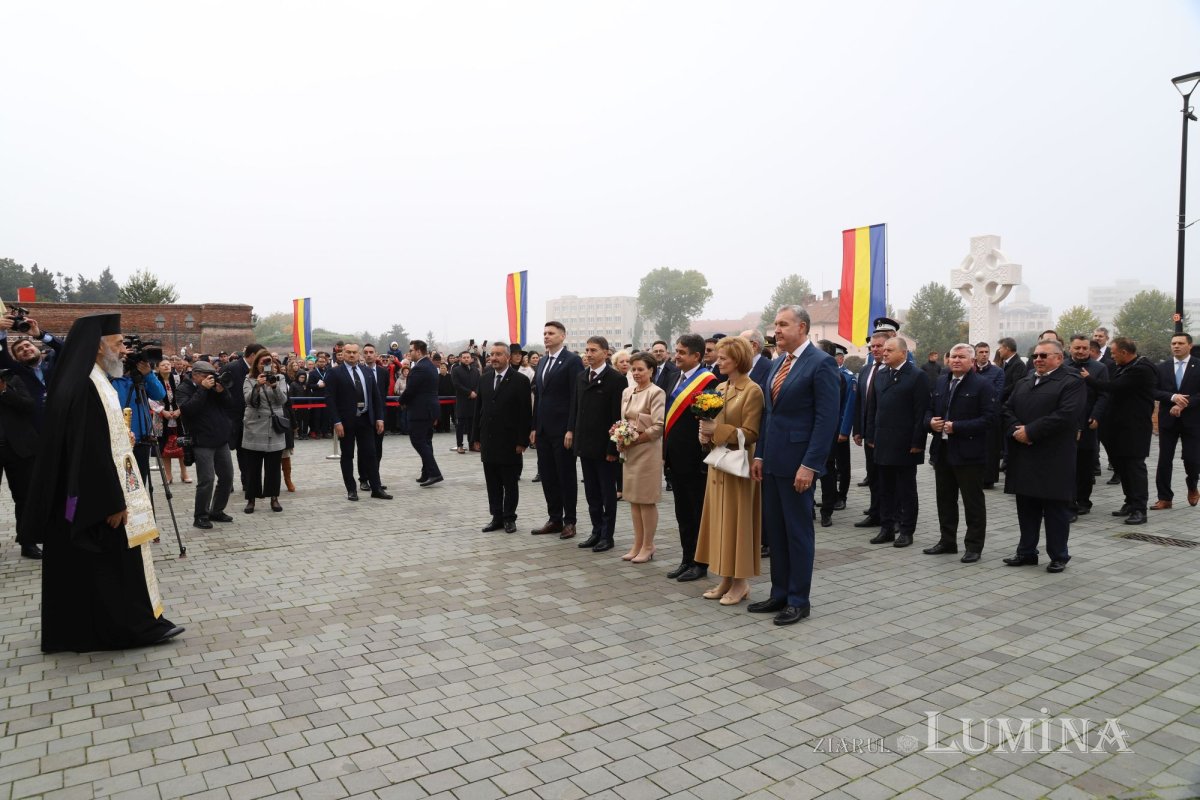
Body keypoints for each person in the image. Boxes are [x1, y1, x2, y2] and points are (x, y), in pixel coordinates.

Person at [18, 313, 183, 652]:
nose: (125, 350)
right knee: (109, 567)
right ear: (97, 347)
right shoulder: (85, 385)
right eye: (119, 343)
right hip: (97, 499)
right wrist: (113, 501)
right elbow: (87, 450)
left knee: (96, 570)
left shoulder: (93, 378)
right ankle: (124, 630)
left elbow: (96, 438)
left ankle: (97, 629)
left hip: (93, 492)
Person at [750, 305, 840, 625]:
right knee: (775, 531)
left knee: (798, 532)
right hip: (773, 462)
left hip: (798, 465)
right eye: (775, 324)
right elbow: (769, 415)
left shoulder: (821, 363)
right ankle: (780, 593)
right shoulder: (777, 364)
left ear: (802, 328)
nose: (777, 330)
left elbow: (826, 420)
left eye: (783, 324)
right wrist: (760, 455)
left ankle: (799, 599)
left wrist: (810, 465)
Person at [1002, 339, 1085, 572]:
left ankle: (1059, 555)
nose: (1038, 359)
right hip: (1024, 454)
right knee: (1026, 507)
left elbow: (1066, 415)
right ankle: (1026, 551)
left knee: (1055, 510)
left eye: (1044, 356)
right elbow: (1006, 408)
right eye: (1036, 355)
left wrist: (1031, 431)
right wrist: (1017, 429)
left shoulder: (1072, 382)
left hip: (1054, 457)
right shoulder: (1025, 381)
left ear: (1058, 358)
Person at [695, 336, 764, 604]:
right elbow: (712, 425)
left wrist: (718, 432)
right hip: (718, 463)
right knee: (722, 523)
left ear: (738, 359)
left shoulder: (752, 390)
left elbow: (752, 432)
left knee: (738, 524)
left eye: (724, 357)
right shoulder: (720, 388)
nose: (718, 361)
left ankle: (741, 582)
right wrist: (705, 436)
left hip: (738, 465)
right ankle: (725, 578)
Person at [924, 344, 996, 562]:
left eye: (962, 357)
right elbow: (929, 409)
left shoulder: (982, 385)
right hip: (943, 450)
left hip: (969, 452)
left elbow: (990, 419)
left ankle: (974, 546)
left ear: (972, 361)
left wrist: (958, 427)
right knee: (945, 499)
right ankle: (947, 541)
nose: (956, 360)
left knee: (972, 501)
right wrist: (930, 422)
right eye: (953, 356)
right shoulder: (941, 382)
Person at [864, 336, 930, 548]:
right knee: (885, 488)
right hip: (883, 441)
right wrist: (871, 435)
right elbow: (874, 408)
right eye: (884, 350)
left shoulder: (917, 376)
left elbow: (921, 411)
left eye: (889, 350)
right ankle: (886, 528)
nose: (884, 353)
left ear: (903, 353)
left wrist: (918, 442)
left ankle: (906, 530)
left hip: (905, 443)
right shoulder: (881, 374)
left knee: (906, 490)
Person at [1082, 337, 1156, 524]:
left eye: (1114, 353)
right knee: (1123, 467)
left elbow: (1113, 387)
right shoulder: (1125, 367)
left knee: (1135, 468)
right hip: (1119, 428)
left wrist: (1089, 379)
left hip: (1135, 429)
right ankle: (1130, 502)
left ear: (1124, 352)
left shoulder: (1141, 369)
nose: (1111, 356)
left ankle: (1140, 509)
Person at [664, 333, 718, 582]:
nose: (676, 355)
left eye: (682, 352)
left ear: (696, 356)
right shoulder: (676, 378)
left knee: (697, 513)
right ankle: (686, 559)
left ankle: (700, 562)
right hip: (675, 458)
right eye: (676, 351)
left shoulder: (708, 381)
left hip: (695, 461)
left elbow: (707, 424)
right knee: (682, 513)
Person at [567, 336, 627, 552]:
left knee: (606, 493)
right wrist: (572, 432)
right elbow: (575, 408)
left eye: (593, 350)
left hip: (605, 448)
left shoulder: (615, 379)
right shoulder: (582, 377)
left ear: (605, 352)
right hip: (586, 445)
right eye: (586, 350)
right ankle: (595, 530)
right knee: (591, 492)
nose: (588, 354)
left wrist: (613, 448)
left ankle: (607, 535)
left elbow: (617, 417)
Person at [530, 322, 584, 538]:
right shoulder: (542, 361)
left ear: (562, 336)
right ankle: (554, 518)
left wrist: (571, 428)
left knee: (566, 475)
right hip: (543, 429)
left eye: (551, 333)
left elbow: (575, 397)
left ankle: (570, 521)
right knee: (548, 475)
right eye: (544, 333)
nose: (546, 336)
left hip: (563, 430)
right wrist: (534, 426)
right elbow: (540, 396)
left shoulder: (572, 361)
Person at [472, 342, 531, 532]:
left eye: (498, 354)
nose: (494, 358)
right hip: (488, 439)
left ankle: (509, 518)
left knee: (510, 483)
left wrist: (522, 441)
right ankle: (496, 517)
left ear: (507, 357)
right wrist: (475, 437)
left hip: (510, 442)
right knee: (492, 482)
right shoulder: (484, 379)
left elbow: (525, 413)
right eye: (492, 354)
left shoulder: (520, 380)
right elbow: (478, 410)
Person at [617, 352, 666, 562]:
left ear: (651, 370)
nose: (636, 373)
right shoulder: (627, 391)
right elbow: (623, 420)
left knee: (646, 500)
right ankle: (637, 543)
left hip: (647, 451)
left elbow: (658, 426)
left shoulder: (656, 392)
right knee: (633, 500)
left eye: (640, 369)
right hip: (629, 451)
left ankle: (648, 545)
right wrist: (620, 435)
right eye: (633, 369)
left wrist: (635, 438)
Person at [327, 343, 392, 501]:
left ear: (359, 354)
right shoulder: (335, 373)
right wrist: (336, 422)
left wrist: (379, 417)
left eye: (354, 352)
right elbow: (330, 399)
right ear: (342, 353)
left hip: (365, 419)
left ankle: (376, 488)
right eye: (348, 352)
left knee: (371, 454)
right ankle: (351, 490)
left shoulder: (367, 371)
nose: (351, 355)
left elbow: (376, 397)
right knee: (347, 455)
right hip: (346, 422)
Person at [177, 360, 235, 529]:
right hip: (201, 441)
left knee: (227, 478)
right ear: (194, 375)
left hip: (220, 439)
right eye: (204, 376)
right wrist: (203, 389)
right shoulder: (184, 388)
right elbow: (188, 410)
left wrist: (222, 391)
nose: (209, 379)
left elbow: (230, 405)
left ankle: (216, 510)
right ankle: (200, 516)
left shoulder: (214, 386)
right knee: (206, 480)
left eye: (210, 376)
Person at [1152, 332, 1200, 509]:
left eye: (1180, 343)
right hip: (1168, 419)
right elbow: (1153, 390)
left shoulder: (1198, 365)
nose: (1176, 346)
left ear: (1190, 346)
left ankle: (1193, 485)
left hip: (1193, 420)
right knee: (1165, 459)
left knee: (1192, 459)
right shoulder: (1162, 367)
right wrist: (1172, 397)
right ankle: (1165, 498)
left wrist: (1183, 404)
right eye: (1173, 343)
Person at [1065, 335, 1109, 517]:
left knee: (1084, 465)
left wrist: (1096, 416)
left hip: (1088, 422)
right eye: (1077, 348)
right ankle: (1069, 502)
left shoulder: (1100, 368)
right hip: (1067, 423)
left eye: (1084, 348)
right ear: (1070, 348)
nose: (1081, 351)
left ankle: (1083, 500)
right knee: (1067, 465)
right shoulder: (1063, 366)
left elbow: (1104, 395)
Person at [241, 350, 289, 513]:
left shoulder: (280, 378)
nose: (265, 366)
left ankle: (274, 497)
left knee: (273, 466)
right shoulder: (249, 379)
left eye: (268, 362)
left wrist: (274, 385)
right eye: (262, 363)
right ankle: (251, 499)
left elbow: (283, 400)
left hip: (273, 427)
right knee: (253, 467)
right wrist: (258, 385)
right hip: (254, 426)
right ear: (256, 364)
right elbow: (249, 401)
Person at [0, 373, 40, 558]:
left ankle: (28, 542)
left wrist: (4, 391)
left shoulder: (13, 379)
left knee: (24, 498)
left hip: (20, 449)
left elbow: (28, 405)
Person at [0, 313, 62, 430]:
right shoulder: (18, 372)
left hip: (67, 422)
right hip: (38, 429)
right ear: (17, 359)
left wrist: (40, 335)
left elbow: (65, 347)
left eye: (28, 345)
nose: (25, 349)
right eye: (19, 350)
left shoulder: (55, 361)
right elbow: (2, 358)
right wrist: (1, 333)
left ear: (37, 348)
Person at [399, 340, 443, 486]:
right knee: (426, 441)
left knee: (418, 440)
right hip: (429, 409)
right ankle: (427, 473)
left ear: (418, 351)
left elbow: (411, 389)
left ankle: (435, 473)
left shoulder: (420, 368)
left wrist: (401, 401)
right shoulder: (429, 365)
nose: (409, 353)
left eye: (411, 350)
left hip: (420, 410)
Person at [974, 342, 1006, 488]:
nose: (984, 354)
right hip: (973, 415)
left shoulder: (997, 371)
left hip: (991, 415)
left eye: (986, 352)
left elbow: (997, 393)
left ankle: (989, 479)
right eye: (980, 352)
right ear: (975, 354)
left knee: (991, 448)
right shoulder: (971, 370)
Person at [154, 358, 190, 485]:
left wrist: (180, 410)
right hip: (161, 417)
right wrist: (162, 411)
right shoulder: (154, 380)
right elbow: (150, 398)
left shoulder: (178, 379)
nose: (166, 366)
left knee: (182, 443)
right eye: (163, 365)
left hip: (179, 416)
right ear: (158, 367)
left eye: (168, 364)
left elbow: (186, 395)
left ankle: (184, 473)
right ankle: (168, 475)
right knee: (164, 445)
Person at [360, 344, 390, 490]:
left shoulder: (383, 372)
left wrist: (381, 417)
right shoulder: (358, 371)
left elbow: (382, 396)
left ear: (376, 354)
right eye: (366, 352)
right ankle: (363, 479)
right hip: (364, 417)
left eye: (371, 352)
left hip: (379, 416)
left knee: (377, 448)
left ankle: (375, 479)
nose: (369, 355)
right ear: (362, 355)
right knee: (364, 449)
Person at [451, 350, 480, 455]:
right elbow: (456, 385)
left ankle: (472, 445)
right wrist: (469, 393)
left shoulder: (475, 370)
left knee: (472, 425)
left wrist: (476, 392)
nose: (466, 359)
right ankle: (460, 445)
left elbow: (478, 383)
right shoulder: (456, 370)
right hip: (462, 401)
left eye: (468, 357)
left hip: (473, 401)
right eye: (464, 357)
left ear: (471, 358)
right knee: (460, 425)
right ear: (460, 359)